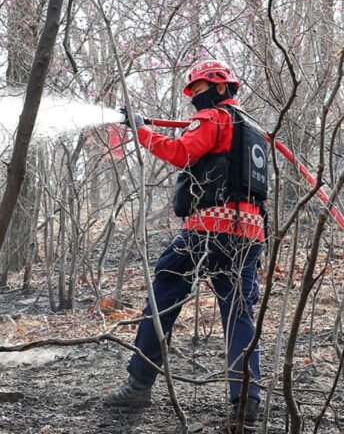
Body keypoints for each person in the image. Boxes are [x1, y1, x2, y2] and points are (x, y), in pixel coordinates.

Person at [104, 59, 268, 430]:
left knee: (164, 291)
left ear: (221, 88)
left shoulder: (212, 118)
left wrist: (140, 131)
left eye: (200, 90)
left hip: (208, 230)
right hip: (250, 234)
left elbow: (181, 153)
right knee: (239, 314)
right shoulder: (251, 127)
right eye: (192, 92)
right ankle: (246, 403)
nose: (195, 98)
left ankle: (139, 384)